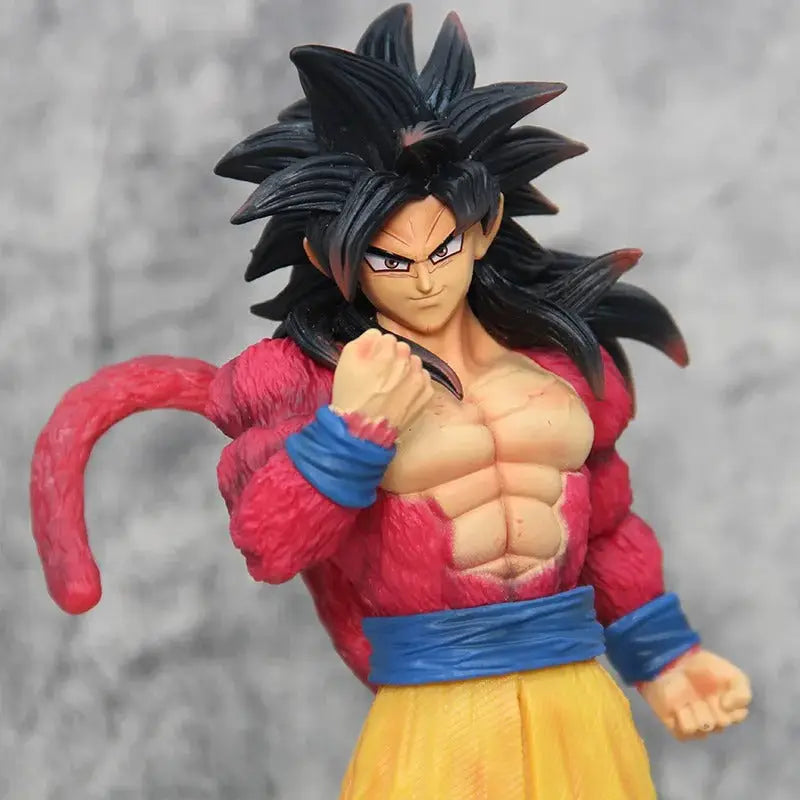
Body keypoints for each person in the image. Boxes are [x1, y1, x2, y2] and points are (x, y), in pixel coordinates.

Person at [30, 5, 751, 798]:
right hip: (435, 715)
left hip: (576, 700)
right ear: (328, 256)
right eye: (391, 260)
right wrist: (352, 431)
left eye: (444, 247)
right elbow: (270, 545)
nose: (427, 280)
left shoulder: (558, 365)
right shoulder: (311, 380)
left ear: (485, 226)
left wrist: (665, 657)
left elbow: (605, 524)